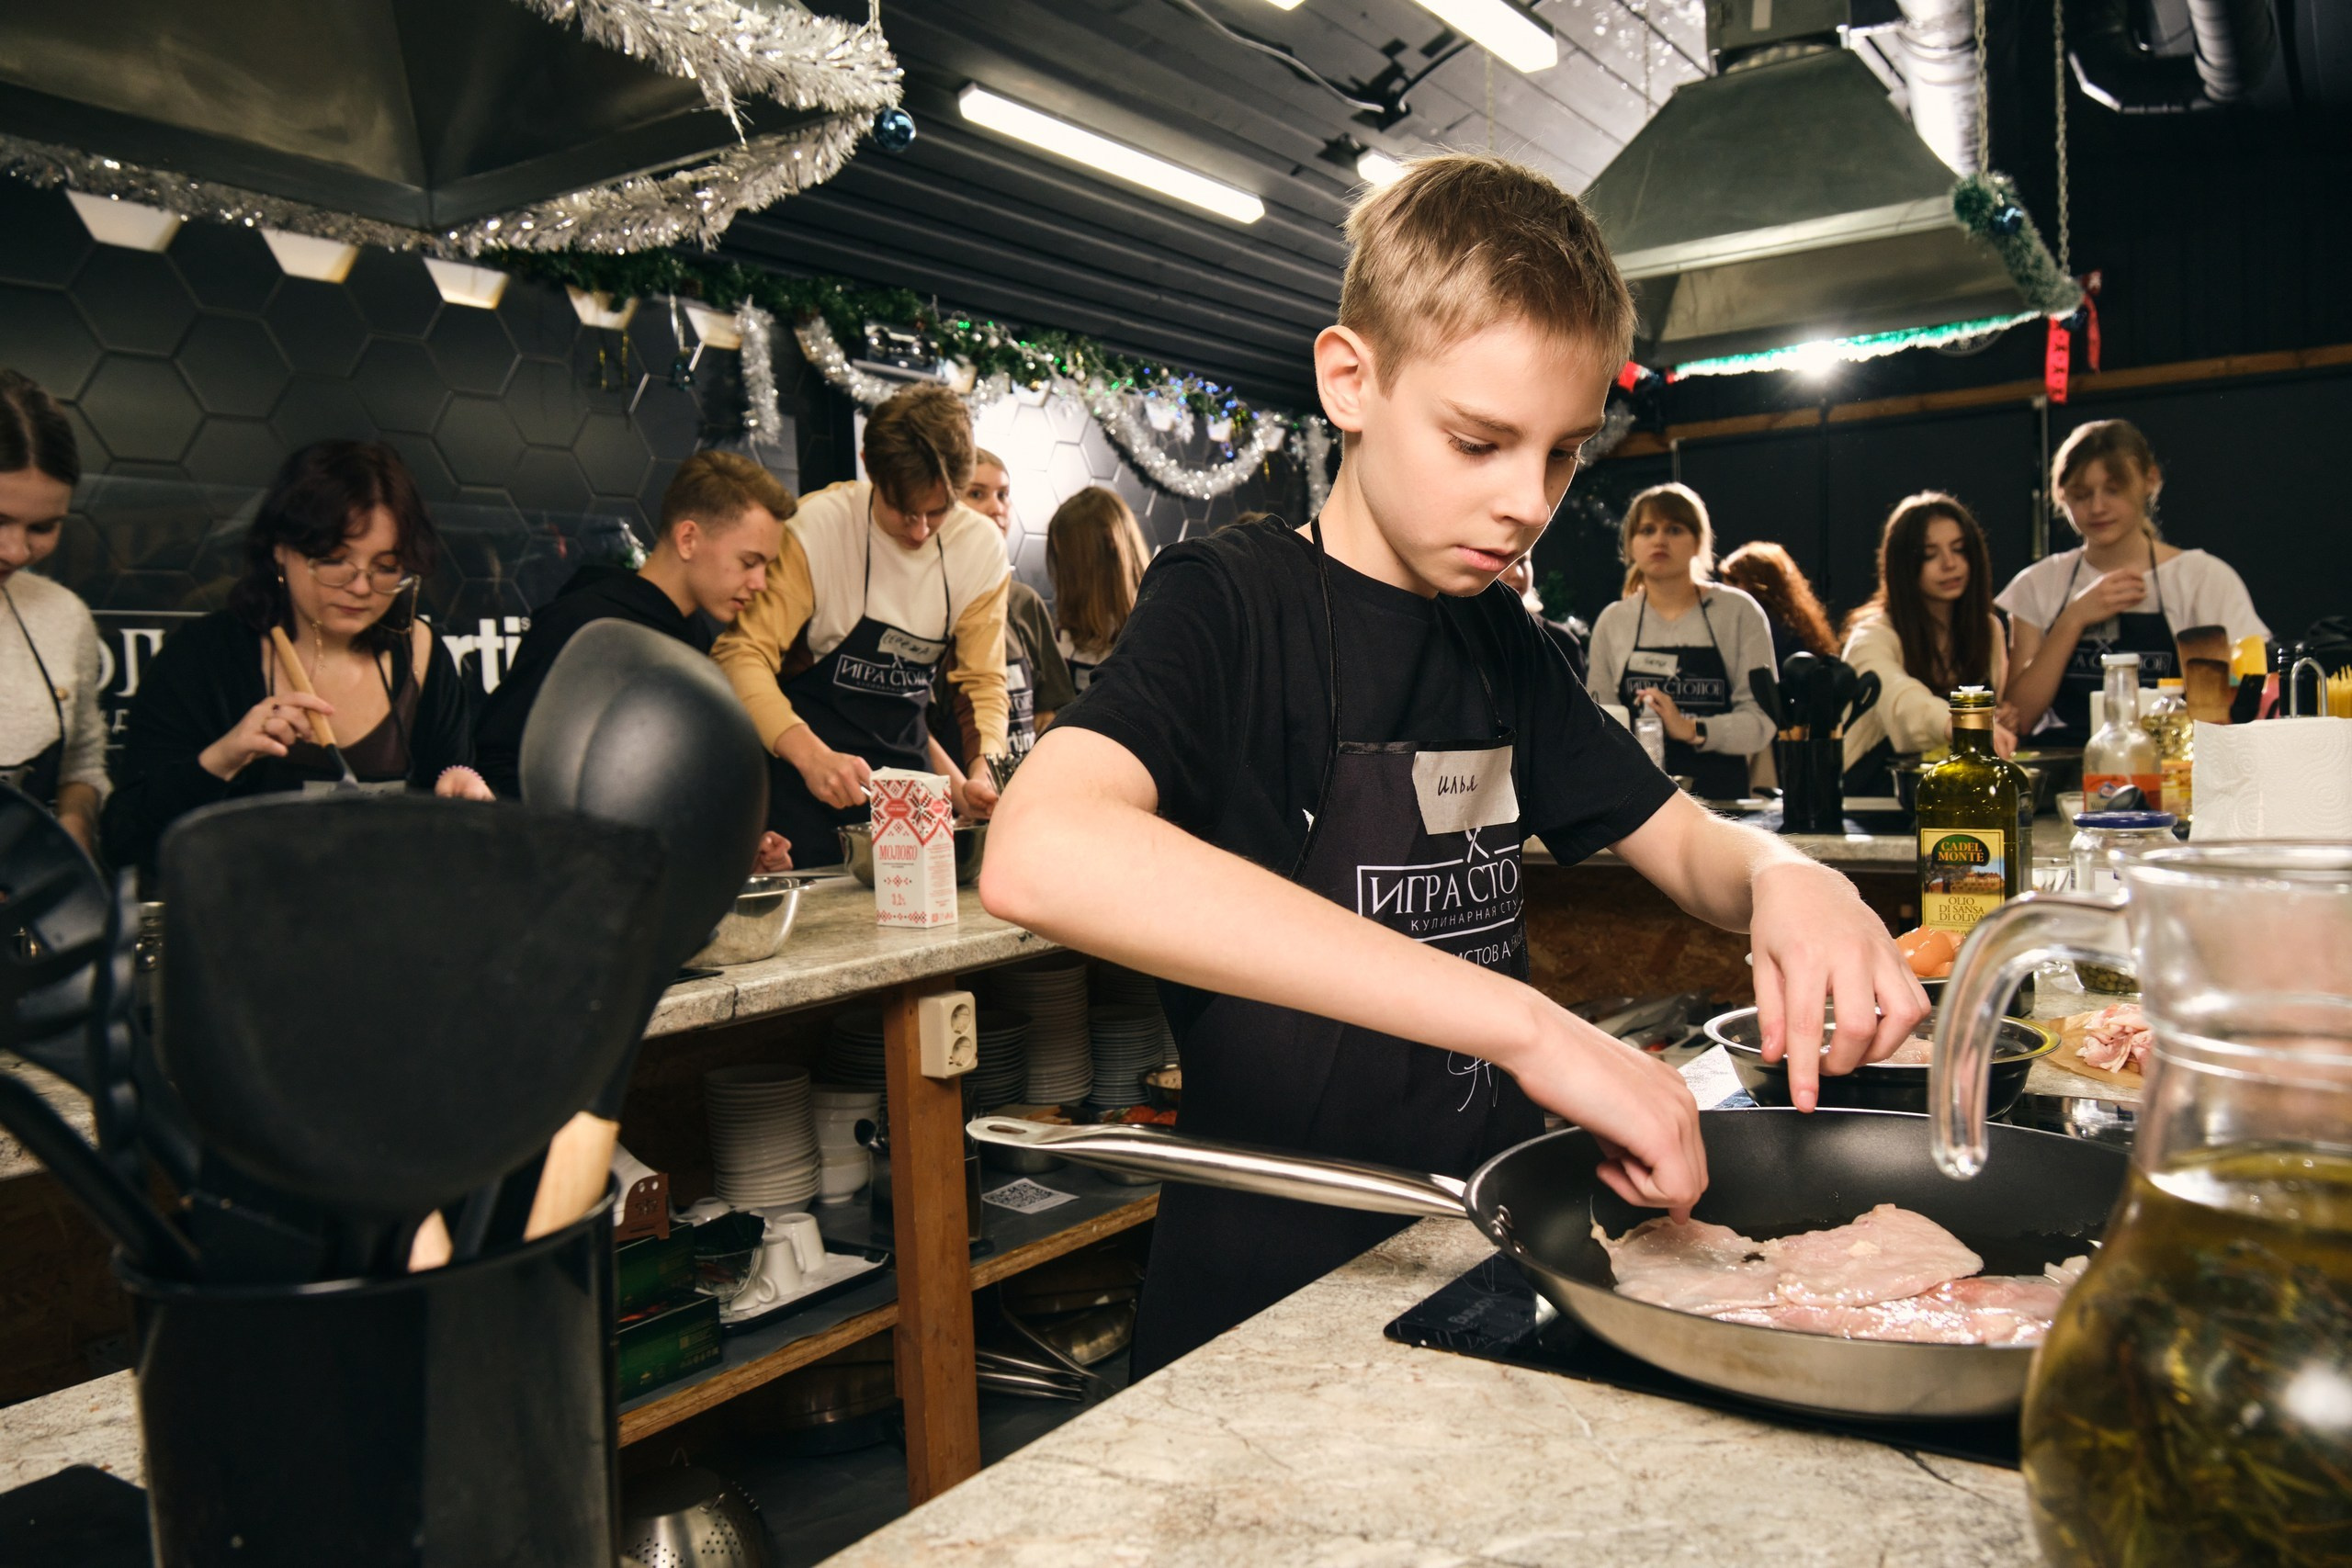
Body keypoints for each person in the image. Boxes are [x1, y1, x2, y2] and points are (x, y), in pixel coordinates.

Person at [978, 153, 1923, 1379]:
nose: (1527, 501)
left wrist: (1788, 877)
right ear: (1351, 380)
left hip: (1471, 1246)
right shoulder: (1234, 601)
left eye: (1563, 454)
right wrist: (1529, 1029)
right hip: (1267, 1288)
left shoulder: (1499, 641)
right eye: (1479, 442)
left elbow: (1685, 840)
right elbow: (1044, 850)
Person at [102, 441, 491, 879]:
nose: (361, 587)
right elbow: (124, 839)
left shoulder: (420, 651)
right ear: (280, 549)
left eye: (386, 567)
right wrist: (224, 758)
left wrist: (463, 790)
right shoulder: (204, 657)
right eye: (333, 560)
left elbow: (450, 788)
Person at [714, 386, 1010, 861]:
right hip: (803, 788)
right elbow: (741, 654)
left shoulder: (979, 549)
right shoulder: (818, 529)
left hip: (912, 796)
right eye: (903, 511)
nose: (920, 530)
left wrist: (982, 770)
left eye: (938, 511)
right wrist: (812, 757)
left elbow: (982, 682)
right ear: (868, 464)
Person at [475, 451, 791, 840]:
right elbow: (499, 761)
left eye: (767, 566)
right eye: (749, 561)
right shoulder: (581, 624)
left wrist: (737, 847)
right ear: (688, 539)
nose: (760, 583)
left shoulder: (696, 636)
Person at [1996, 419, 2267, 746]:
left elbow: (2249, 689)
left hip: (2175, 760)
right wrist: (2073, 618)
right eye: (2081, 495)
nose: (2097, 507)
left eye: (2113, 490)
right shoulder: (2037, 584)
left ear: (2150, 480)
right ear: (2061, 495)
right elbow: (2019, 719)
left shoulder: (2202, 578)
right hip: (2066, 761)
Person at [1586, 484, 1777, 800]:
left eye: (1674, 529)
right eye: (1647, 530)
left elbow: (1762, 721)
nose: (1659, 540)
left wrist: (1690, 728)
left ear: (1699, 542)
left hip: (1723, 801)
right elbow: (1601, 725)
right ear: (1630, 545)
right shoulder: (1613, 621)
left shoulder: (1739, 612)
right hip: (1637, 801)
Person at [1838, 492, 2014, 794]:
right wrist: (1961, 723)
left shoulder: (1988, 629)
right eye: (1930, 555)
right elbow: (1901, 701)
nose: (1950, 564)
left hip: (1956, 796)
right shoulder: (1872, 636)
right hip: (1875, 799)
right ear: (1902, 565)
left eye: (1959, 549)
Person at [0, 371, 107, 853]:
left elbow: (81, 766)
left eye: (42, 527)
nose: (16, 551)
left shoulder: (63, 616)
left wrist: (75, 822)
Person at [930, 448, 1075, 795]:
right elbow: (916, 728)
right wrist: (969, 792)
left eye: (1003, 495)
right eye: (977, 494)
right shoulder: (929, 602)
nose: (997, 508)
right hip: (955, 799)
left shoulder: (1024, 603)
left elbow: (1050, 709)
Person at [1046, 486, 1149, 693]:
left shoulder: (1155, 631)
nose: (1067, 578)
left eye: (1072, 562)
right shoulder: (1062, 639)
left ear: (1111, 542)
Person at [1718, 540, 1838, 673]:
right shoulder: (1798, 626)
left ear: (1760, 583)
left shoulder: (1773, 631)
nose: (1726, 591)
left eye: (1735, 582)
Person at [1499, 549, 1589, 683]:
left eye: (1522, 561)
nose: (1517, 574)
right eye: (1505, 562)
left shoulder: (1560, 643)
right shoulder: (1467, 638)